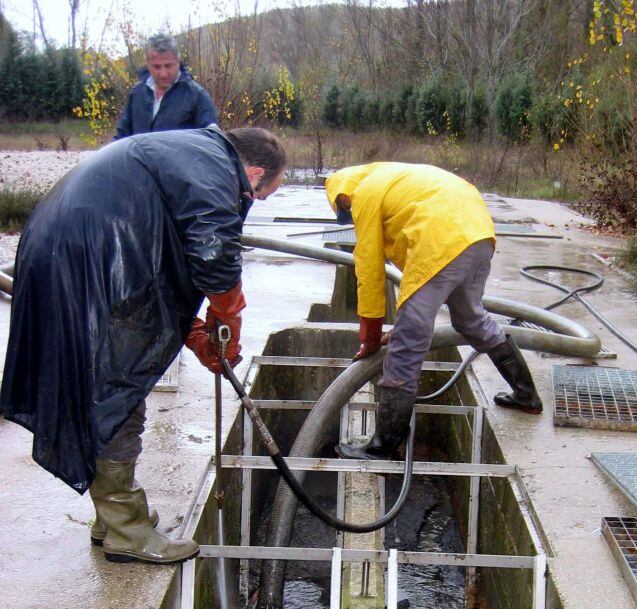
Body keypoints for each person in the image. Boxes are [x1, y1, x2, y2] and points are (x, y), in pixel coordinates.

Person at [0, 125, 286, 565]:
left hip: (71, 250)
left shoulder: (193, 154)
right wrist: (228, 320)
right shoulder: (215, 173)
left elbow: (157, 277)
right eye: (258, 196)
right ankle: (125, 529)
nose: (251, 203)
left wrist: (196, 333)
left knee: (110, 383)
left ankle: (114, 514)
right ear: (254, 173)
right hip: (86, 259)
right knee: (115, 388)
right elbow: (214, 256)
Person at [325, 162, 543, 461]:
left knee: (407, 346)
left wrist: (371, 339)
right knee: (471, 319)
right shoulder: (395, 177)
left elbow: (370, 272)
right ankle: (527, 395)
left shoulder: (362, 194)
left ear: (342, 196)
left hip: (441, 241)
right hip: (478, 233)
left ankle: (382, 448)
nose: (348, 213)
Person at [114, 34, 217, 139]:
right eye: (157, 67)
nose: (163, 74)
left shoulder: (197, 96)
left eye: (168, 66)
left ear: (178, 61)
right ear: (148, 64)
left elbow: (212, 142)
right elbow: (121, 138)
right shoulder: (137, 93)